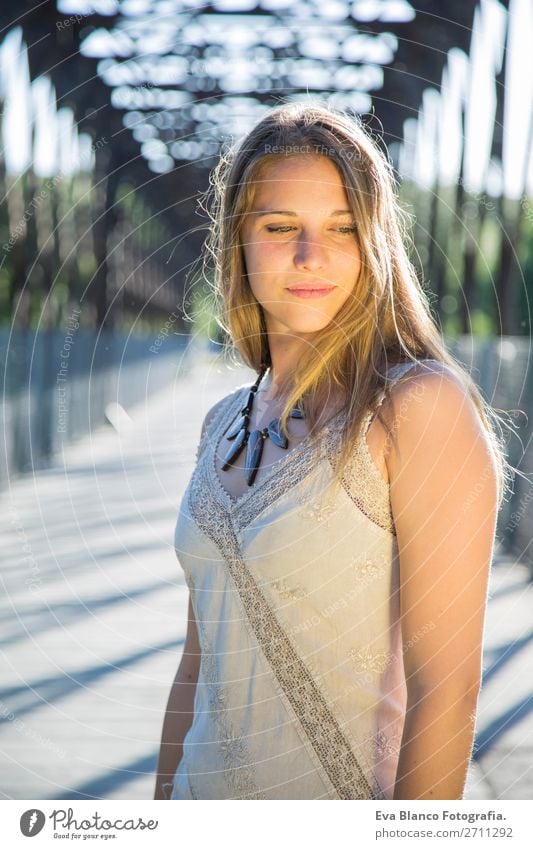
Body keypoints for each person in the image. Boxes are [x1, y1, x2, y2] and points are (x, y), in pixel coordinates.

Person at [154, 100, 511, 800]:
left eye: (341, 229)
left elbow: (446, 692)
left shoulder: (413, 410)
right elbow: (196, 668)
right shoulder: (219, 422)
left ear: (373, 242)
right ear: (238, 241)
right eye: (279, 226)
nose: (309, 256)